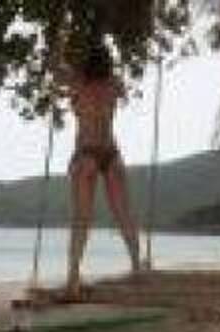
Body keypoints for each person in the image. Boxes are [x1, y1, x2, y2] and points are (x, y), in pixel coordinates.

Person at [53, 38, 141, 300]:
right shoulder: (114, 84)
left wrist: (59, 45)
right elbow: (122, 89)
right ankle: (137, 267)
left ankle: (73, 277)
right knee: (123, 214)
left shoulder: (77, 82)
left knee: (82, 218)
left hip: (86, 152)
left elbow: (56, 72)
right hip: (111, 153)